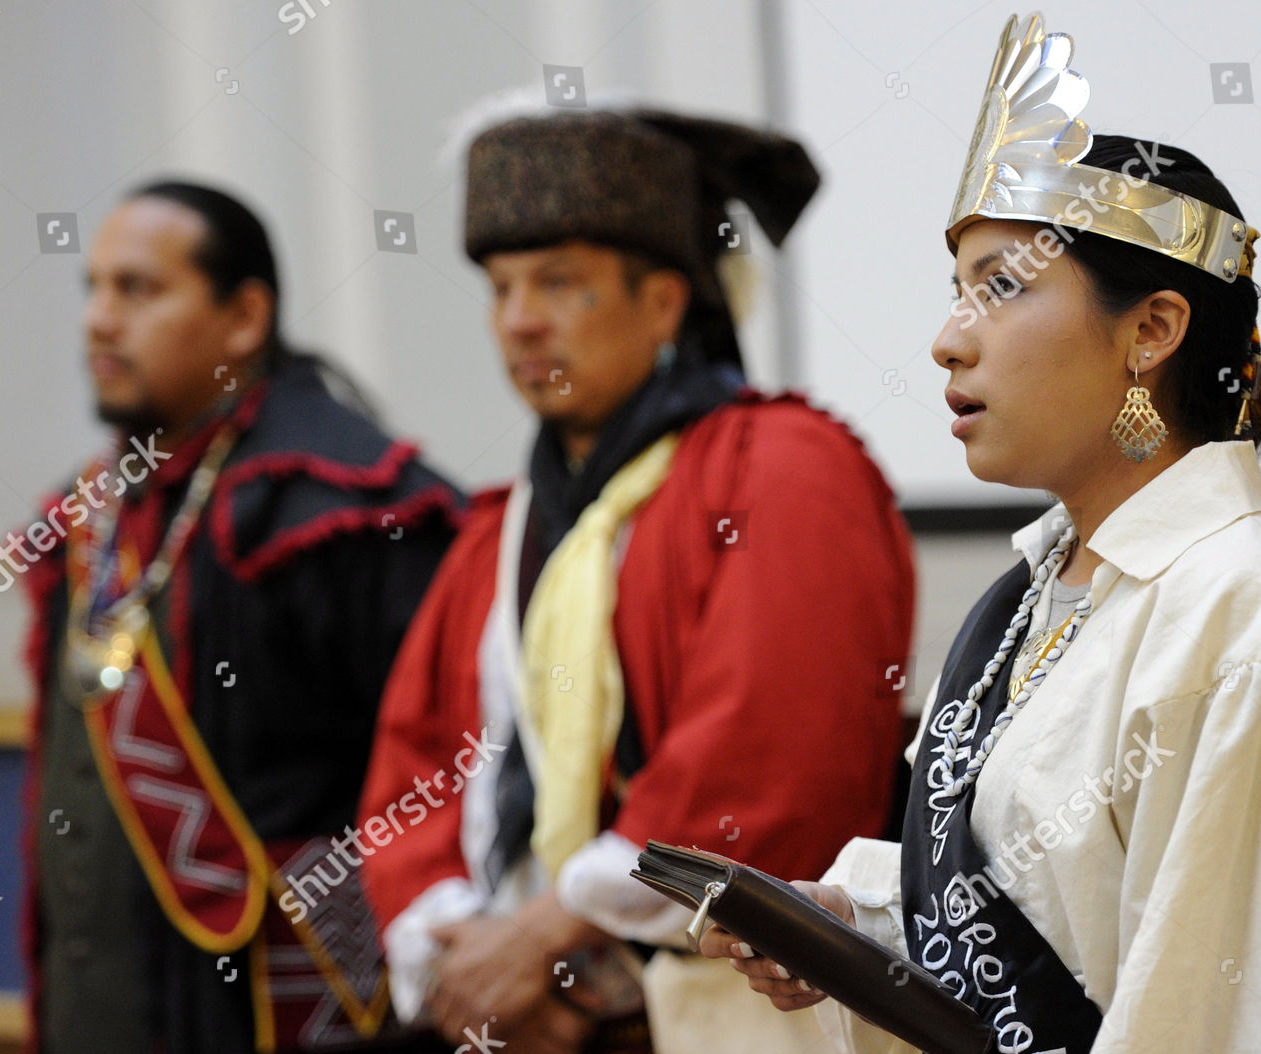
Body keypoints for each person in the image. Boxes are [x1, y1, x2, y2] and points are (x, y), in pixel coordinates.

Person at [703, 13, 1261, 1054]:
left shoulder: (1246, 611)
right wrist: (856, 923)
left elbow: (1214, 1013)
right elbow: (1041, 901)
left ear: (1151, 331)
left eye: (1004, 287)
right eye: (958, 291)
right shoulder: (1039, 586)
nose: (948, 339)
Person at [357, 101, 916, 1053]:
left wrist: (554, 936)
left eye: (560, 284)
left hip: (714, 1015)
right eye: (500, 289)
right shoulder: (502, 526)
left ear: (663, 301)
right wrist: (461, 940)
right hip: (508, 1015)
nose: (521, 322)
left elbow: (774, 745)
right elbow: (416, 766)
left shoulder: (783, 470)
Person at [18, 181, 462, 1052]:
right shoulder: (92, 513)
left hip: (289, 1016)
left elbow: (450, 771)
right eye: (94, 289)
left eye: (138, 289)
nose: (100, 321)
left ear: (245, 317)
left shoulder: (344, 510)